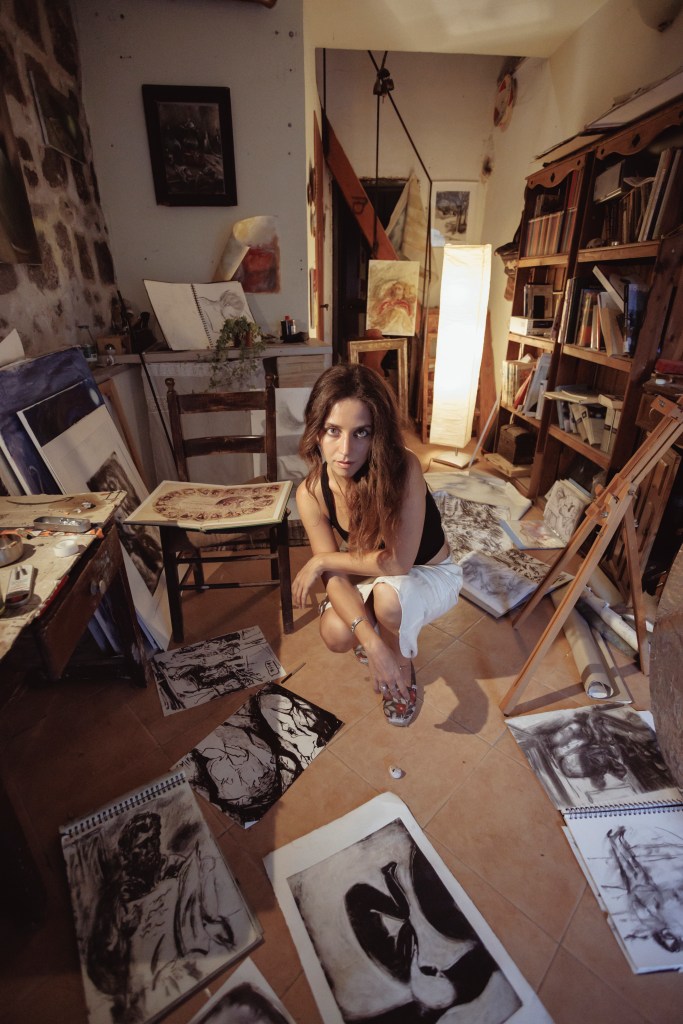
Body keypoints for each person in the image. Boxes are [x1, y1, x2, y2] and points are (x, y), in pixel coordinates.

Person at [292, 364, 463, 726]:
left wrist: (321, 560)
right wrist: (371, 643)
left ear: (378, 434)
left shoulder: (405, 468)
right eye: (333, 431)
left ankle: (402, 666)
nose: (345, 450)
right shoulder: (311, 493)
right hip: (374, 570)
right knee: (336, 632)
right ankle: (383, 642)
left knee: (388, 600)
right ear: (316, 430)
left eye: (361, 432)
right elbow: (336, 575)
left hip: (429, 572)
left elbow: (398, 564)